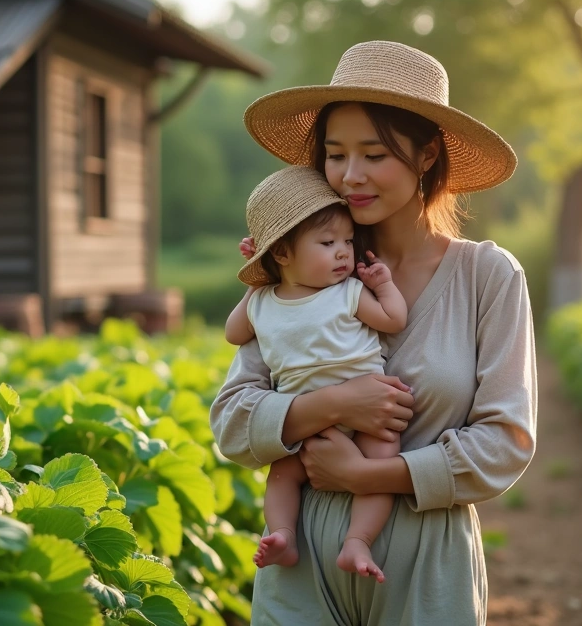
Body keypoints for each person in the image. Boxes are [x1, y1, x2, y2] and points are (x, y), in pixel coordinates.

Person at [210, 40, 538, 625]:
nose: (351, 175)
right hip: (301, 556)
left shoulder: (488, 276)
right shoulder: (300, 272)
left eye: (375, 154)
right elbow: (233, 424)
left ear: (427, 155)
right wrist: (334, 404)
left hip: (427, 559)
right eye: (335, 154)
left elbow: (505, 443)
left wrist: (368, 474)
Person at [223, 165, 408, 583]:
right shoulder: (263, 301)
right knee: (283, 475)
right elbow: (234, 333)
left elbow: (393, 319)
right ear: (282, 255)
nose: (343, 252)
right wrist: (256, 279)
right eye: (327, 243)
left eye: (348, 241)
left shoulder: (348, 293)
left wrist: (383, 285)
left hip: (372, 411)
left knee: (381, 464)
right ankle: (283, 535)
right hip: (306, 421)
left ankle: (358, 540)